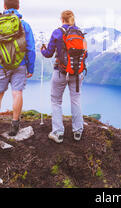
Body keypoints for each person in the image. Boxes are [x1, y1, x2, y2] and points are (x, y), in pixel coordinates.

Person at [0, 0, 35, 138]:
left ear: (4, 6)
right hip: (20, 65)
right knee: (17, 93)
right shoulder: (24, 25)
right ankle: (15, 124)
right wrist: (30, 68)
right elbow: (30, 49)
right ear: (18, 7)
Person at [41, 10, 86, 143]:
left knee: (56, 101)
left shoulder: (57, 32)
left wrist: (42, 50)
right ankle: (78, 131)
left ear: (62, 20)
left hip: (60, 72)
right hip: (77, 73)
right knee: (76, 100)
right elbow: (85, 55)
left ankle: (58, 133)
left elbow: (49, 53)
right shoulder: (79, 33)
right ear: (73, 19)